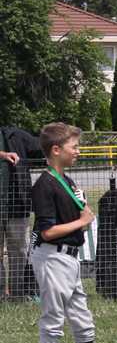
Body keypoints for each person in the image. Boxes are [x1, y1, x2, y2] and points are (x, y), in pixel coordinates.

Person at [31, 122, 117, 343]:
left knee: (82, 320)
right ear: (56, 149)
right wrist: (82, 221)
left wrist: (82, 217)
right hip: (52, 256)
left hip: (70, 259)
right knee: (53, 319)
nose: (78, 151)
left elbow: (79, 215)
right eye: (73, 147)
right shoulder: (44, 184)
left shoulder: (67, 180)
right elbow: (47, 231)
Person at [0, 125, 42, 300]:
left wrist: (60, 138)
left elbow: (41, 148)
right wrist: (3, 155)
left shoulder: (14, 135)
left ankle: (18, 294)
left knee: (19, 251)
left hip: (17, 205)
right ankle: (1, 294)